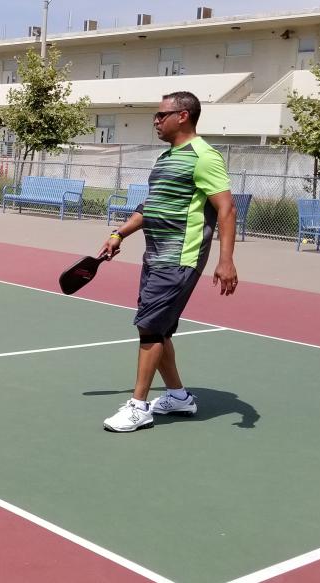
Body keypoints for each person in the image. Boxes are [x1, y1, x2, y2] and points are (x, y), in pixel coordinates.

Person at [98, 91, 239, 433]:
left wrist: (226, 260)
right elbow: (151, 207)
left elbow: (226, 208)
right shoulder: (165, 158)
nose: (156, 121)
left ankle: (138, 406)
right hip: (155, 255)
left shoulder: (204, 157)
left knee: (148, 328)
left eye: (162, 115)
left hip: (180, 257)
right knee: (158, 327)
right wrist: (119, 234)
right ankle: (177, 397)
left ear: (183, 116)